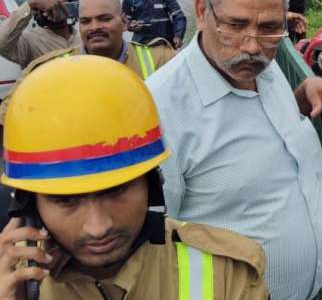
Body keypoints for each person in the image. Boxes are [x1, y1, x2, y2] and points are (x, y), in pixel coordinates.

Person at [146, 0, 322, 300]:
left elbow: (258, 131)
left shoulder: (259, 65)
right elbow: (150, 243)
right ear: (202, 12)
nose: (251, 45)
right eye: (234, 25)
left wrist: (303, 96)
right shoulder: (159, 110)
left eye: (269, 28)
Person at [0, 56, 268, 299]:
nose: (98, 227)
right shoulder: (12, 283)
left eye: (116, 190)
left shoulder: (228, 275)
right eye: (66, 200)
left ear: (152, 184)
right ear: (29, 205)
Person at [0, 0, 178, 121]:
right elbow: (8, 114)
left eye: (104, 19)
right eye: (86, 21)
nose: (94, 27)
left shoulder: (161, 60)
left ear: (124, 23)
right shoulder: (50, 68)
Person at [0, 0, 81, 69]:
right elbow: (2, 42)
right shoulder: (29, 41)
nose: (53, 5)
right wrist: (30, 4)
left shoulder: (84, 36)